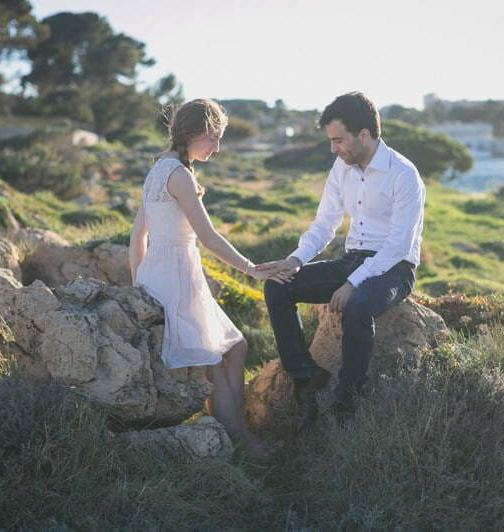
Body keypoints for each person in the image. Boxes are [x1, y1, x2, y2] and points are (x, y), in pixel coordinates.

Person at [258, 91, 425, 432]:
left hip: (394, 267)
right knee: (277, 286)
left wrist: (353, 284)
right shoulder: (342, 167)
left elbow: (398, 245)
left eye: (339, 140)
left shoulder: (404, 174)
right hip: (352, 259)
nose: (334, 149)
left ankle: (347, 399)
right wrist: (295, 260)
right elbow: (325, 223)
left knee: (358, 307)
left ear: (363, 134)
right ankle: (306, 378)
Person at [129, 98, 271, 458]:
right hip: (175, 274)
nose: (217, 147)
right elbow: (207, 237)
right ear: (191, 133)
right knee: (213, 362)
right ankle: (239, 441)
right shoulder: (179, 175)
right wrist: (250, 268)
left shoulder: (159, 168)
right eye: (212, 137)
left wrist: (139, 284)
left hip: (162, 272)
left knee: (235, 348)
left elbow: (137, 238)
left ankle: (236, 429)